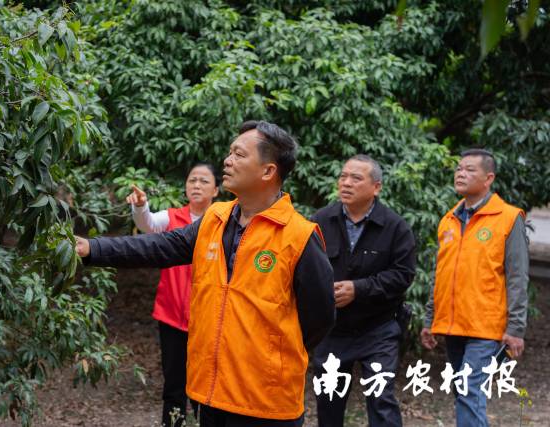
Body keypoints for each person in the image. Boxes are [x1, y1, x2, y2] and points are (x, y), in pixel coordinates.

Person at [75, 120, 335, 427]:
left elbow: (320, 318)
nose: (227, 160)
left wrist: (271, 353)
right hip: (212, 393)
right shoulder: (215, 218)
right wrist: (92, 249)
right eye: (229, 153)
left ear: (268, 171)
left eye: (239, 154)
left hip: (267, 404)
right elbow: (161, 246)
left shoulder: (299, 236)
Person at [420, 148, 528, 426]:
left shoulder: (508, 217)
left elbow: (518, 276)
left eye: (469, 169)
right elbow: (440, 273)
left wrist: (515, 328)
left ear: (488, 178)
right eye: (458, 169)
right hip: (453, 323)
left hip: (487, 326)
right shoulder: (449, 220)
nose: (461, 173)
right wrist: (430, 318)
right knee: (463, 389)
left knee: (468, 388)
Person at [311, 154, 416, 427]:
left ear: (376, 187)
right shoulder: (320, 221)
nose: (346, 183)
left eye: (356, 178)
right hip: (332, 330)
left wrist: (359, 289)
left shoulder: (395, 227)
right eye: (343, 176)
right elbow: (304, 268)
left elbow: (403, 275)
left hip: (378, 329)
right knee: (329, 404)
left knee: (381, 400)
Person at [125, 163, 219, 427]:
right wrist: (141, 206)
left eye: (203, 181)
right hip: (172, 317)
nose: (197, 186)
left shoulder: (222, 221)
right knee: (174, 384)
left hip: (211, 318)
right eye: (192, 181)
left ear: (216, 189)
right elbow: (148, 225)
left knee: (208, 385)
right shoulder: (173, 217)